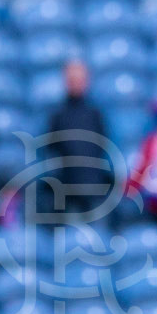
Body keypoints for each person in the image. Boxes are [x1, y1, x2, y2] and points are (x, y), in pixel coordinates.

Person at [44, 60, 110, 218]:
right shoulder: (58, 115)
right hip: (65, 192)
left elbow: (106, 147)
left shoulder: (96, 115)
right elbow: (50, 149)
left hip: (95, 190)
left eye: (79, 79)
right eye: (72, 79)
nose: (76, 83)